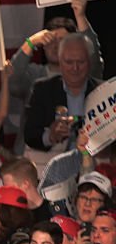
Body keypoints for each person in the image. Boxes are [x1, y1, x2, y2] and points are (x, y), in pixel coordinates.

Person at [23, 35, 100, 166]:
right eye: (69, 62)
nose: (75, 68)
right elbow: (30, 135)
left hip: (95, 167)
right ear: (59, 61)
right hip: (52, 168)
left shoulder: (103, 91)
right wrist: (51, 136)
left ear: (90, 62)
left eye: (80, 62)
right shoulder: (42, 89)